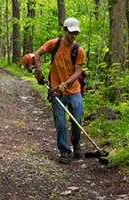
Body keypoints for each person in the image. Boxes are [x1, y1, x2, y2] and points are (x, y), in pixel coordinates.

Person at [34, 18, 85, 164]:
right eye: (71, 32)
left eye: (75, 33)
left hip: (74, 91)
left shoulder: (79, 50)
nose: (73, 35)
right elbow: (37, 54)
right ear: (64, 30)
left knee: (77, 121)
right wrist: (39, 71)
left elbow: (78, 72)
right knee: (61, 123)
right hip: (56, 91)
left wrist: (65, 84)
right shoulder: (54, 44)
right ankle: (64, 151)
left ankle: (76, 144)